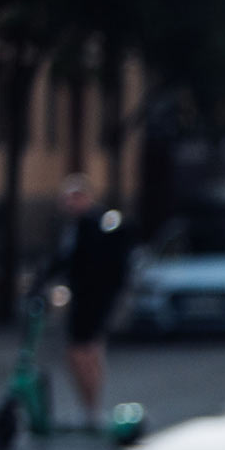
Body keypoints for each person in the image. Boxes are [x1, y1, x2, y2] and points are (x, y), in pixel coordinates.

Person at [51, 174, 131, 428]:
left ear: (87, 197)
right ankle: (89, 409)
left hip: (93, 299)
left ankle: (92, 410)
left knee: (84, 352)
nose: (70, 203)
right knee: (81, 353)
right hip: (84, 298)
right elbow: (62, 261)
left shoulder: (96, 224)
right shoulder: (76, 226)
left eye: (75, 197)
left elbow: (102, 264)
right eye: (67, 199)